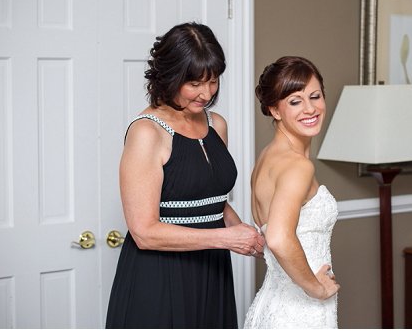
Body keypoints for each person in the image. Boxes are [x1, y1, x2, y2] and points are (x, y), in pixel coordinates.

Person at [107, 22, 265, 328]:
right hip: (160, 274)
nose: (206, 93)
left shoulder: (217, 124)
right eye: (194, 83)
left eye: (214, 81)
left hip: (212, 270)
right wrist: (225, 238)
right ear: (169, 76)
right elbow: (144, 232)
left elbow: (212, 199)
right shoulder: (147, 132)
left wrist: (247, 234)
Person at [243, 56, 339, 328]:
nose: (310, 108)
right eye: (295, 101)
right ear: (274, 110)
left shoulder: (267, 157)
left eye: (315, 96)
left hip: (272, 305)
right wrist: (317, 290)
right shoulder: (298, 166)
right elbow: (278, 238)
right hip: (299, 312)